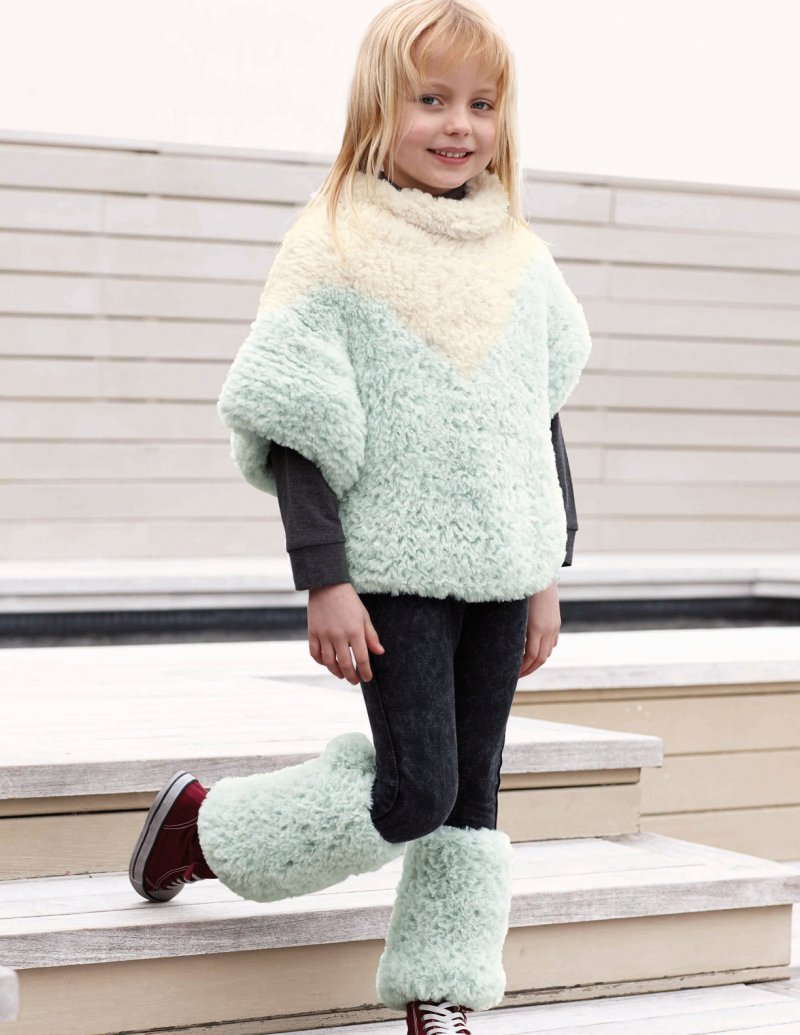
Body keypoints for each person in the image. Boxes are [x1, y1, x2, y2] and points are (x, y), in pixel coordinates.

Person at [128, 1, 592, 1032]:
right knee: (415, 791)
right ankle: (205, 829)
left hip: (501, 569)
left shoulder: (519, 255)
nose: (457, 124)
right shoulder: (334, 242)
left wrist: (544, 571)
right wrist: (324, 578)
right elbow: (296, 423)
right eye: (431, 99)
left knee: (472, 796)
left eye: (480, 104)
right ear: (380, 106)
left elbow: (536, 419)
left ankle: (442, 989)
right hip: (390, 570)